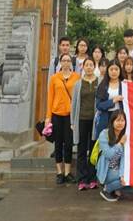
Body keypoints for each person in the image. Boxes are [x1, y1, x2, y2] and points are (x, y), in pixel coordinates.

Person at [45, 53, 80, 184]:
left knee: (69, 143)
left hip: (70, 115)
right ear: (60, 63)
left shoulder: (76, 77)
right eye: (63, 60)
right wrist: (48, 117)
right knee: (58, 143)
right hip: (57, 114)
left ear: (71, 63)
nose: (66, 62)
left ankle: (67, 172)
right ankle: (59, 172)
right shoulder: (54, 78)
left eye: (68, 60)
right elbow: (50, 98)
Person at [71, 57, 98, 190]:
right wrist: (72, 122)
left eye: (91, 65)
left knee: (93, 150)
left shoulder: (99, 82)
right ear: (83, 67)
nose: (89, 67)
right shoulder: (78, 84)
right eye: (86, 65)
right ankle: (82, 179)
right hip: (81, 119)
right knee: (81, 149)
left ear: (94, 67)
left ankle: (92, 178)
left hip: (95, 121)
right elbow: (74, 103)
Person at [97, 110, 128, 202]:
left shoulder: (125, 135)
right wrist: (120, 144)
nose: (120, 123)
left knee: (128, 177)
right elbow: (109, 155)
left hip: (118, 169)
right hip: (107, 170)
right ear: (112, 122)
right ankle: (107, 189)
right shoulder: (104, 134)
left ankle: (115, 187)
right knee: (126, 179)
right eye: (117, 120)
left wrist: (122, 174)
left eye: (122, 120)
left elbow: (124, 159)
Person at [94, 60, 124, 139]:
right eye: (111, 69)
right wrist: (113, 101)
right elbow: (98, 105)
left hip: (120, 118)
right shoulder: (103, 85)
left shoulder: (124, 85)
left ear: (120, 71)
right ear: (108, 71)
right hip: (105, 118)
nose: (114, 72)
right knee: (105, 141)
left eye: (116, 69)